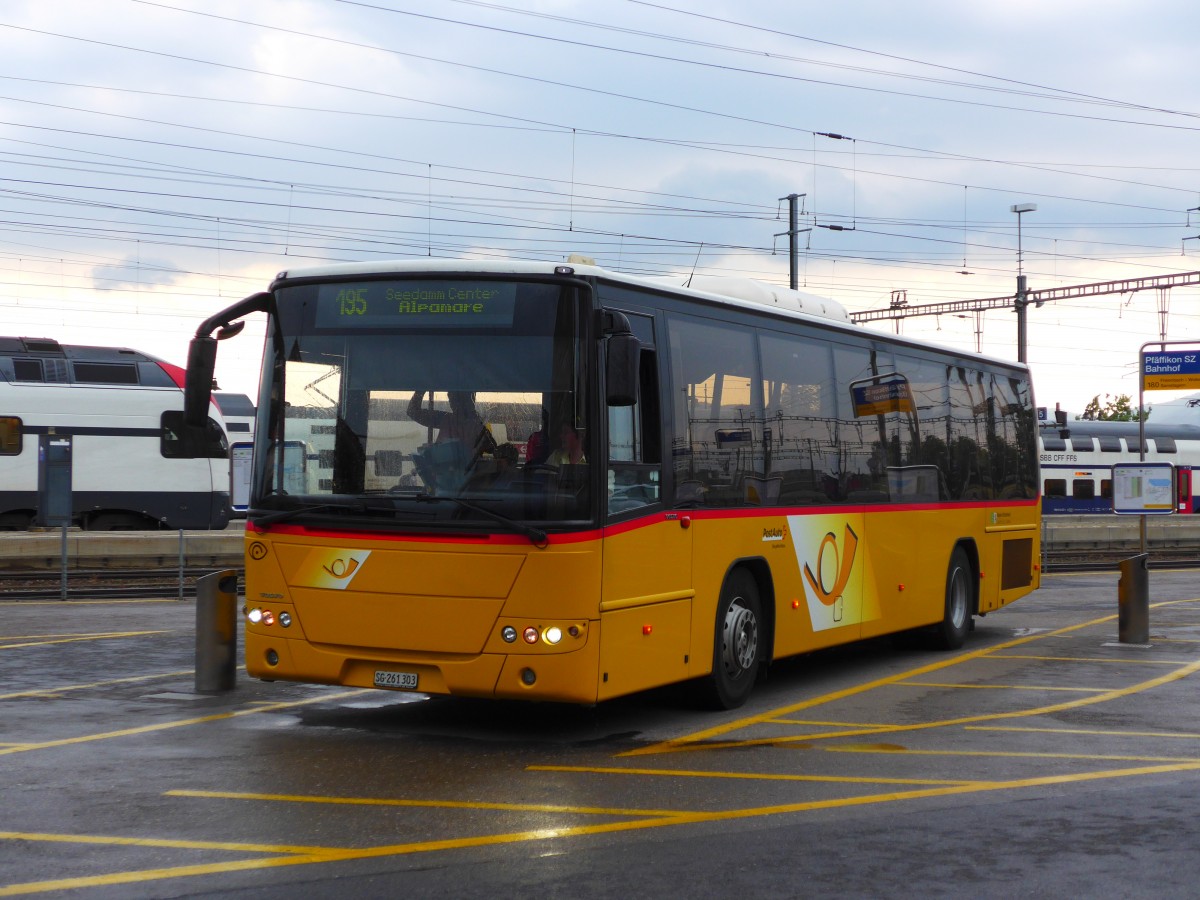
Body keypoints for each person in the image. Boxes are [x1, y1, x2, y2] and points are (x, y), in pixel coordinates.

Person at [408, 389, 497, 456]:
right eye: (451, 397)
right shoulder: (479, 426)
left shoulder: (445, 420)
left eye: (453, 397)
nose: (452, 402)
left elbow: (413, 411)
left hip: (451, 477)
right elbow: (413, 412)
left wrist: (422, 388)